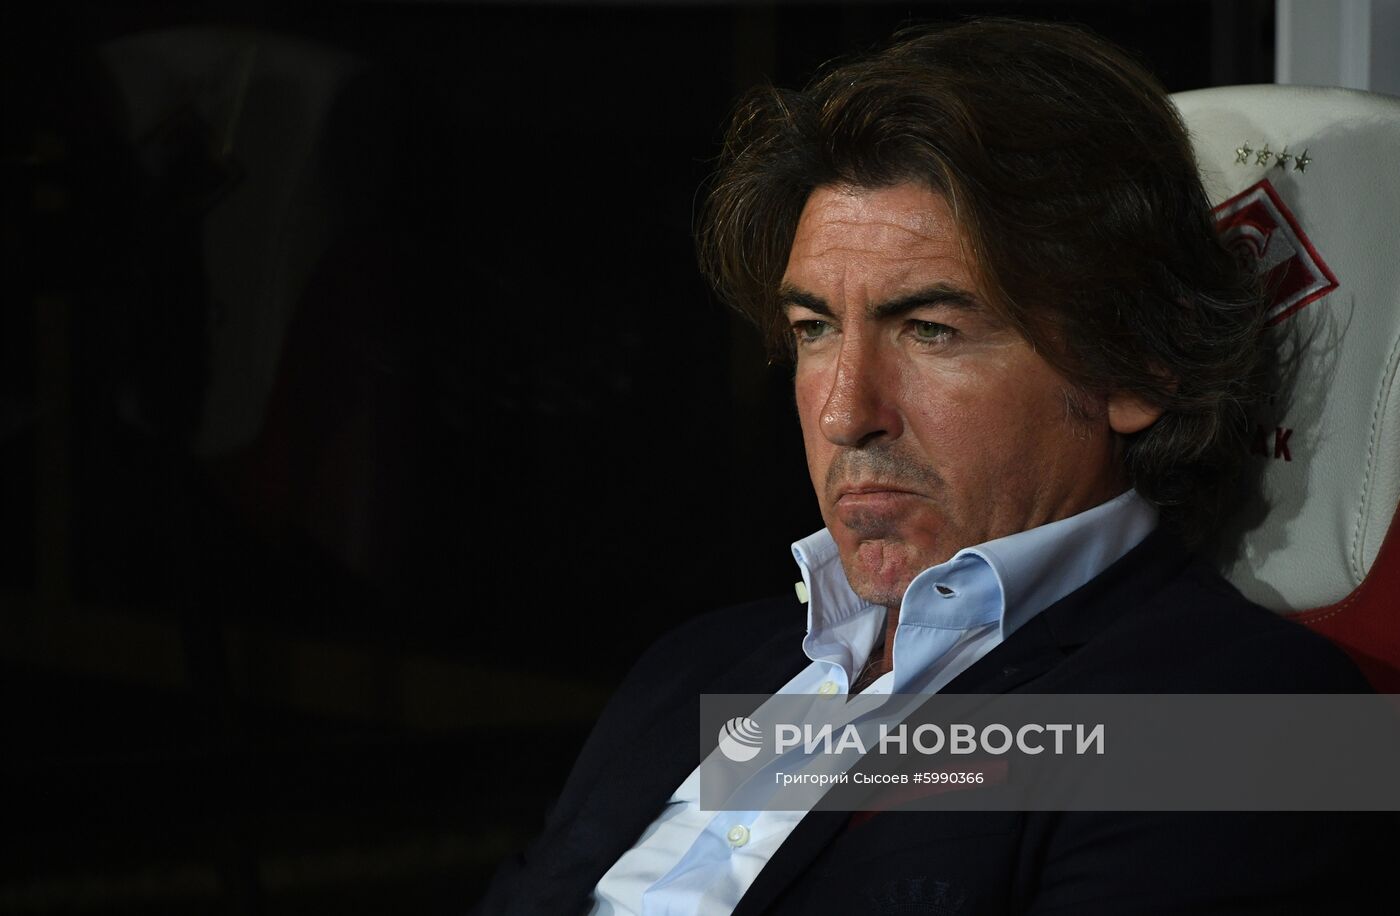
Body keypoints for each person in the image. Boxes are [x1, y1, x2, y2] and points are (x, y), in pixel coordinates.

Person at [477, 18, 1385, 915]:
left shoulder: (1255, 719)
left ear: (1138, 363)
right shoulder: (696, 667)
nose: (844, 414)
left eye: (930, 330)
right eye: (813, 329)